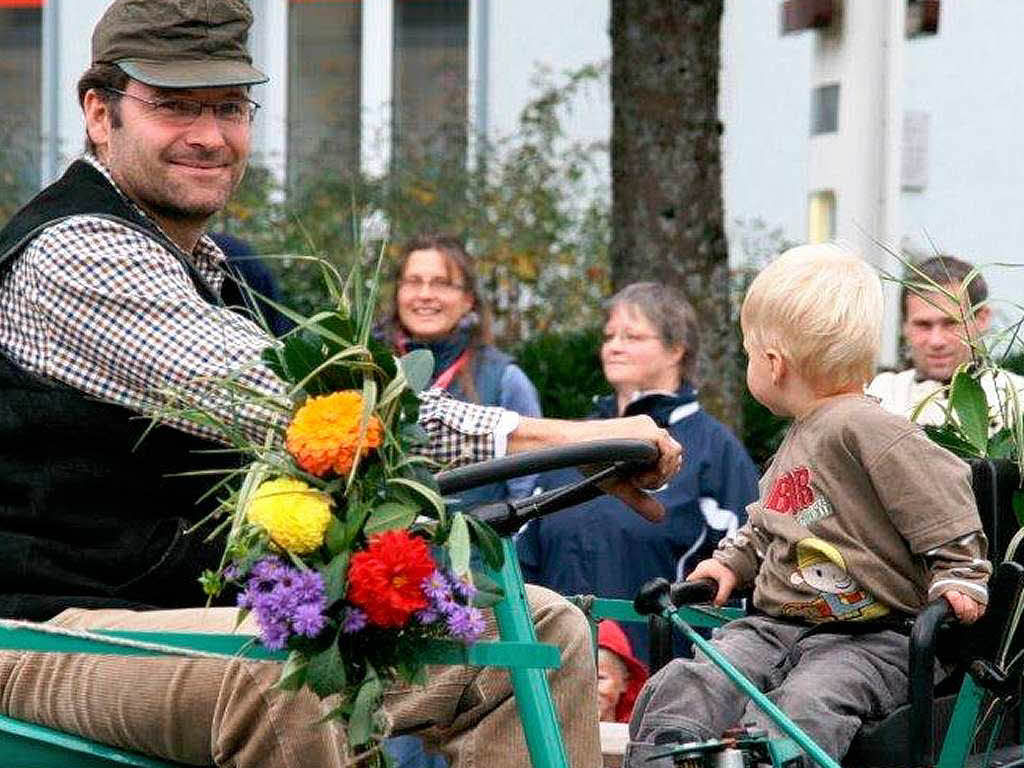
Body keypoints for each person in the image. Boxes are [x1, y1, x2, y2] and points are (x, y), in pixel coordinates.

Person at [0, 2, 681, 767]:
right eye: (174, 106)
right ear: (100, 112)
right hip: (48, 632)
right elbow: (294, 411)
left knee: (540, 630)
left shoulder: (209, 271)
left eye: (228, 107)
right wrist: (554, 438)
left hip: (188, 622)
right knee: (284, 678)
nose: (210, 135)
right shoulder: (77, 253)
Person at [625, 244, 991, 766]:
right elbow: (770, 521)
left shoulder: (868, 428)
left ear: (773, 365)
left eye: (749, 352)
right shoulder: (801, 435)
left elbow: (944, 491)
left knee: (804, 705)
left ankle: (764, 757)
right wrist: (731, 563)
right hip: (777, 626)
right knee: (696, 676)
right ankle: (668, 753)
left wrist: (959, 573)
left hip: (872, 636)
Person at [518, 282, 759, 661]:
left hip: (662, 682)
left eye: (632, 336)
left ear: (676, 349)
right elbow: (525, 560)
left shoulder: (715, 450)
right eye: (609, 335)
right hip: (558, 677)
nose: (614, 346)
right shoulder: (573, 442)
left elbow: (745, 575)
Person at [385, 232, 543, 507]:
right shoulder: (369, 372)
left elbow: (527, 489)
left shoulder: (504, 379)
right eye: (413, 282)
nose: (425, 295)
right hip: (385, 548)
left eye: (442, 283)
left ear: (468, 299)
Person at [867, 254, 1024, 429]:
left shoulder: (1017, 399)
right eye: (923, 325)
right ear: (904, 326)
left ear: (981, 319)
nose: (936, 341)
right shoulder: (879, 397)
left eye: (951, 323)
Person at [597, 620, 648, 724]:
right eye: (578, 678)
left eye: (600, 678)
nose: (588, 689)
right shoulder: (556, 735)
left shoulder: (635, 735)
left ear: (625, 682)